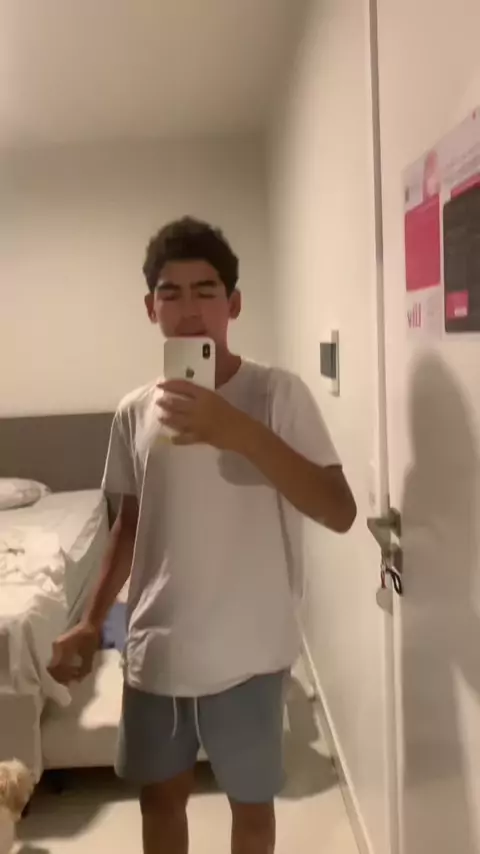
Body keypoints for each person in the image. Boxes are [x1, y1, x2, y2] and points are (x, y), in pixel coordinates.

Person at [48, 217, 356, 854]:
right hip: (157, 648)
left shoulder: (275, 393)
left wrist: (237, 432)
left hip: (250, 652)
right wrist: (90, 620)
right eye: (171, 293)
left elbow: (339, 510)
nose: (189, 309)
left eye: (206, 291)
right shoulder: (135, 411)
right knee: (160, 803)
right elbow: (129, 527)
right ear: (150, 308)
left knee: (252, 807)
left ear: (234, 304)